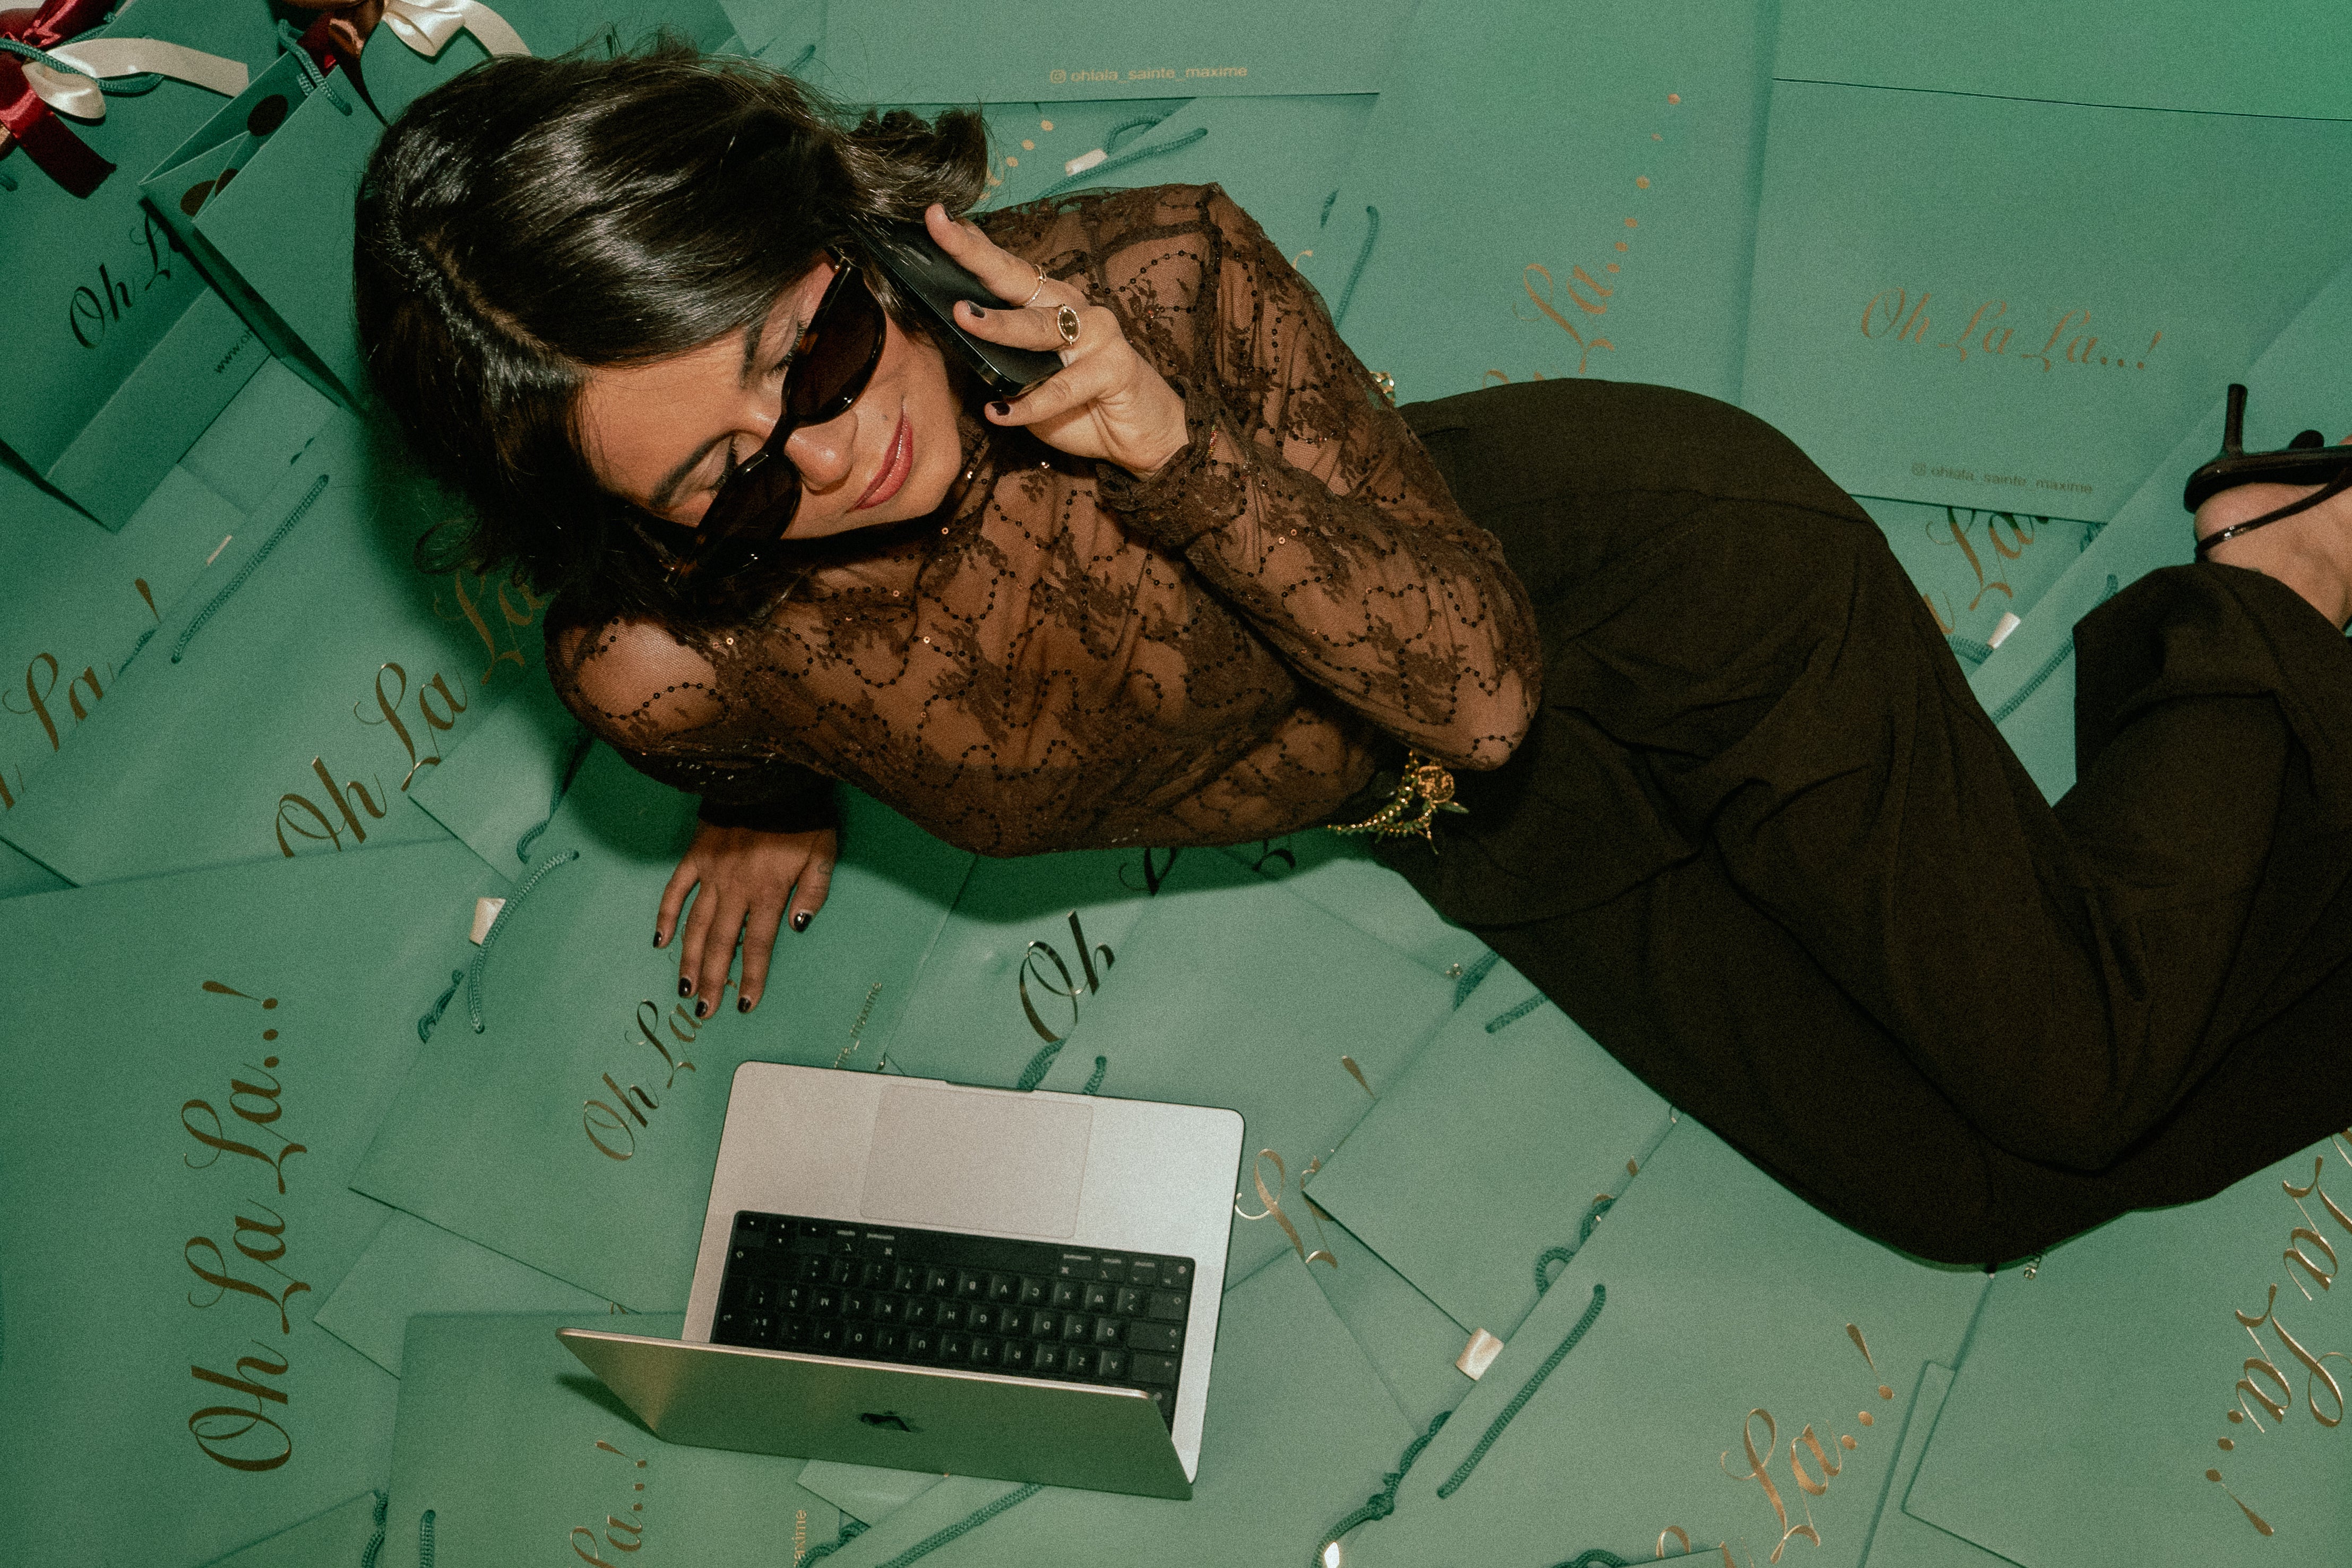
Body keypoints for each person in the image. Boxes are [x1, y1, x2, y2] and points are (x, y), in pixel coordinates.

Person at [355, 44, 2352, 1267]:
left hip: (1656, 605)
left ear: (817, 219)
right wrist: (775, 797)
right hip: (1477, 822)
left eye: (806, 346)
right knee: (1977, 1194)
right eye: (720, 479)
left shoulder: (1157, 277)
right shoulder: (668, 659)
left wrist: (1172, 452)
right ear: (638, 535)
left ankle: (2267, 575)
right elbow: (722, 693)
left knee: (2075, 1072)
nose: (825, 449)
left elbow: (1480, 680)